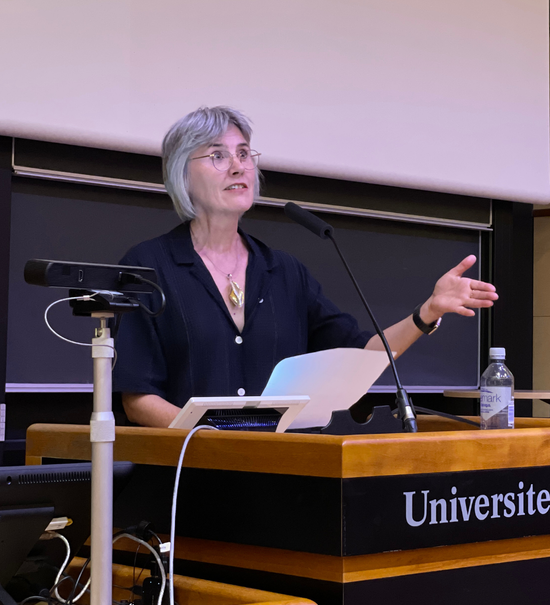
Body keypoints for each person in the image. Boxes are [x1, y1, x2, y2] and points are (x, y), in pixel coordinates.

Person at [114, 106, 497, 427]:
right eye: (218, 155)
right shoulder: (148, 268)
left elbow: (362, 355)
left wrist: (426, 312)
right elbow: (139, 397)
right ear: (182, 173)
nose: (237, 167)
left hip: (285, 475)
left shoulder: (284, 272)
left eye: (244, 154)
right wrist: (216, 440)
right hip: (188, 480)